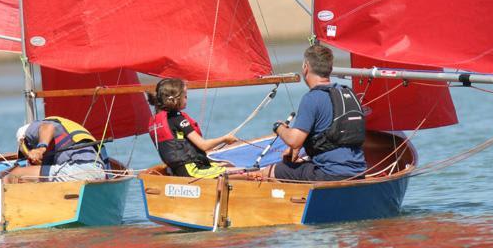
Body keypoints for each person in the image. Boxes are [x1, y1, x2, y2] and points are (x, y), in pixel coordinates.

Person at [261, 45, 367, 181]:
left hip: (330, 174)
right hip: (359, 172)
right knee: (301, 165)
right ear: (330, 68)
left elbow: (294, 140)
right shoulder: (348, 93)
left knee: (271, 171)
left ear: (306, 67)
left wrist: (279, 127)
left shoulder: (312, 98)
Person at [148, 78, 237, 178]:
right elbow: (204, 145)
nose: (187, 99)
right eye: (185, 96)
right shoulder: (177, 119)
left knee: (228, 164)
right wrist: (225, 139)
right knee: (243, 172)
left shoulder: (161, 120)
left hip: (179, 168)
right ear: (175, 99)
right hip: (191, 170)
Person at [6, 116, 107, 183]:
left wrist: (40, 148)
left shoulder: (33, 129)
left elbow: (47, 128)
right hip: (100, 173)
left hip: (79, 171)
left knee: (16, 175)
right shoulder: (67, 127)